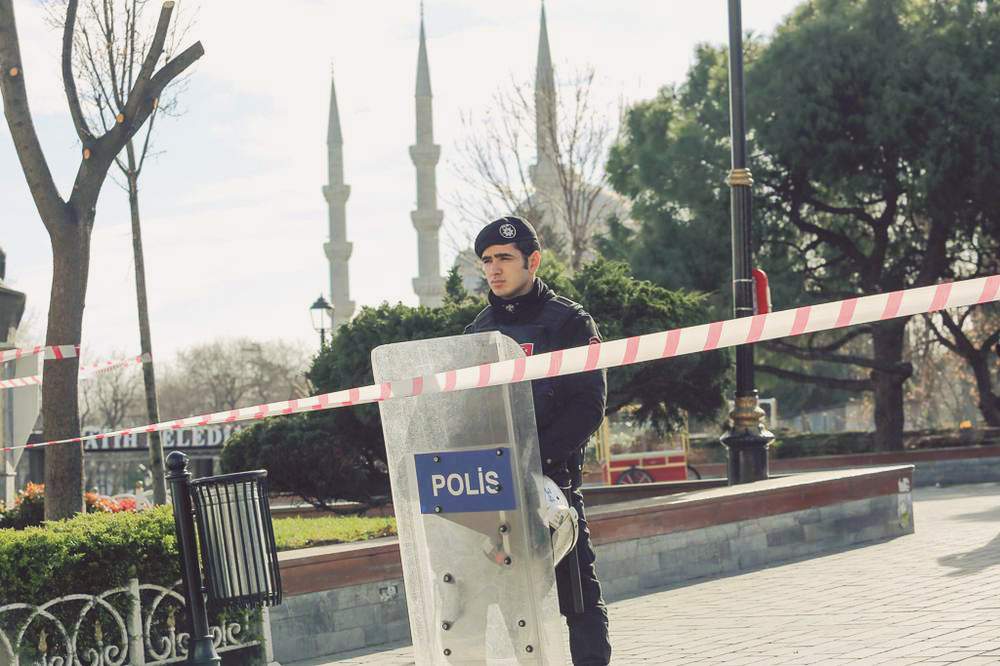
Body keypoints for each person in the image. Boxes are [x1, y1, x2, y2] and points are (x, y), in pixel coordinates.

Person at [464, 215, 611, 666]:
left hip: (553, 484)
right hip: (494, 490)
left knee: (577, 597)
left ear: (533, 261)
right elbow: (467, 412)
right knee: (507, 599)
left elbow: (588, 405)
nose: (494, 268)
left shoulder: (569, 322)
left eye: (505, 258)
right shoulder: (477, 332)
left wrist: (531, 457)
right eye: (487, 260)